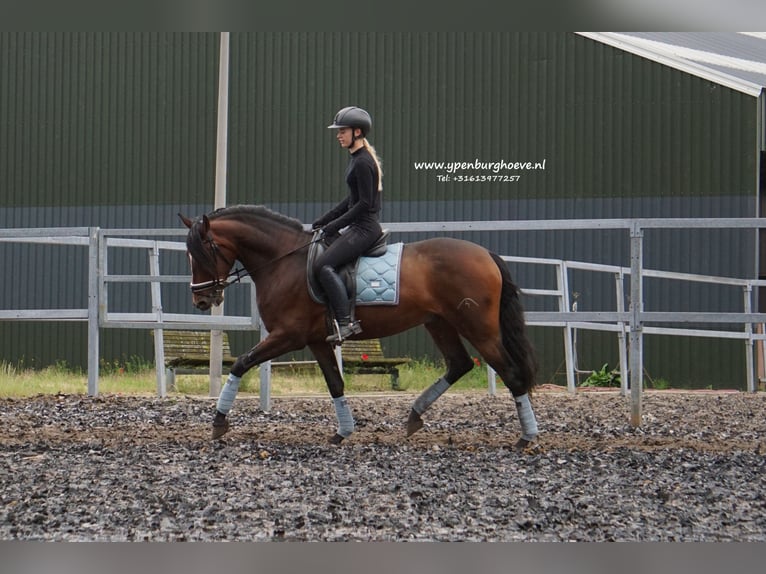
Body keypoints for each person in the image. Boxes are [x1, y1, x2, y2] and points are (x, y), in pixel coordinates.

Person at [312, 106, 384, 344]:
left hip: (365, 229)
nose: (338, 135)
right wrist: (324, 220)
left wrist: (333, 226)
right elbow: (350, 200)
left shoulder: (363, 162)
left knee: (323, 265)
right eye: (338, 131)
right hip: (358, 226)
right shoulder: (357, 159)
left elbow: (364, 204)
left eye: (342, 131)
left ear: (357, 132)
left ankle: (346, 323)